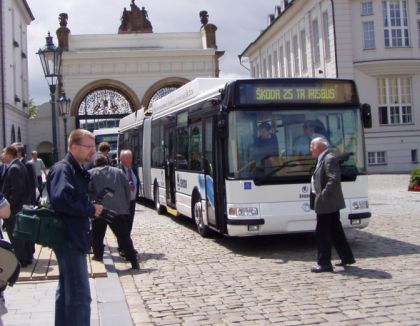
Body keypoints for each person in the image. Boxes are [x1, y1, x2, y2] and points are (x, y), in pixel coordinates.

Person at [46, 129, 103, 325]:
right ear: (74, 147)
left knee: (66, 290)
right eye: (89, 147)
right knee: (79, 296)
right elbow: (62, 199)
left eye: (94, 147)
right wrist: (90, 209)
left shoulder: (73, 168)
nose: (93, 151)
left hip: (70, 236)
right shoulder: (63, 169)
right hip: (69, 238)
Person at [309, 137, 355, 273]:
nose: (310, 149)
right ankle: (347, 257)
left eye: (312, 146)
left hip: (326, 203)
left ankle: (324, 264)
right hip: (327, 202)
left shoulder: (329, 159)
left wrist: (323, 195)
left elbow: (333, 179)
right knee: (336, 231)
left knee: (322, 233)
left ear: (321, 147)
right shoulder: (322, 158)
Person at [88, 154, 139, 269]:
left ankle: (98, 256)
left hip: (100, 210)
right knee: (124, 236)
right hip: (118, 210)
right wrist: (125, 206)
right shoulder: (118, 172)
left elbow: (89, 191)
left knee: (97, 234)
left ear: (95, 164)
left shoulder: (91, 173)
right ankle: (133, 260)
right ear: (106, 162)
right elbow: (127, 189)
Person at [1, 146, 32, 267]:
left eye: (3, 152)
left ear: (9, 154)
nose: (2, 155)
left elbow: (16, 191)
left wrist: (7, 206)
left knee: (16, 237)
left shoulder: (14, 168)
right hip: (20, 208)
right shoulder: (19, 165)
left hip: (15, 210)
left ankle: (21, 261)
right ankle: (27, 258)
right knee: (22, 236)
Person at [118, 150, 139, 256]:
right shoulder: (117, 170)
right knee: (123, 226)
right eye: (127, 158)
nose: (129, 160)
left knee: (129, 225)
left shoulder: (134, 169)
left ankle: (127, 246)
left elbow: (137, 183)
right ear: (121, 159)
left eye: (130, 158)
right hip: (122, 202)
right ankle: (123, 248)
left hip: (132, 201)